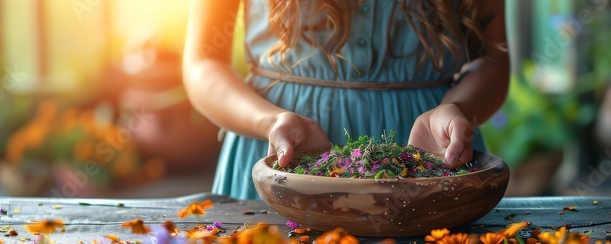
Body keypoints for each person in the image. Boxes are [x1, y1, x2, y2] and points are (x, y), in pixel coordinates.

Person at [184, 0, 509, 200]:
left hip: (430, 152)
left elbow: (493, 58)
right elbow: (203, 61)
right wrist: (268, 121)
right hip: (282, 147)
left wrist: (458, 109)